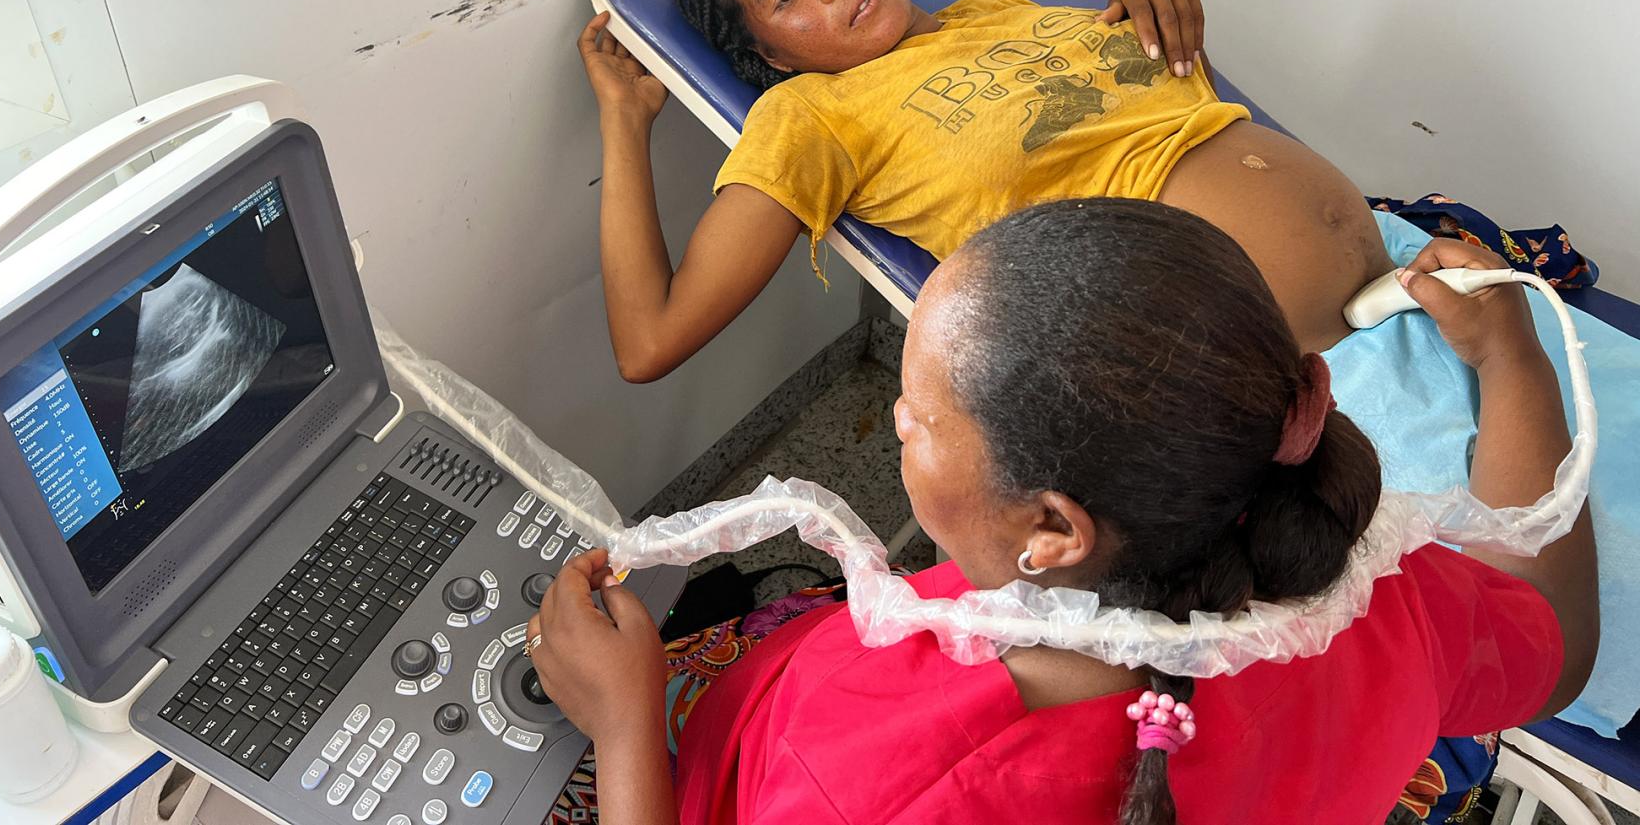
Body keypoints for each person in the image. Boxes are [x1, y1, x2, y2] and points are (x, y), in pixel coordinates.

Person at [526, 201, 1598, 823]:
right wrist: (1509, 356)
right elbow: (1554, 650)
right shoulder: (1376, 596)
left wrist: (625, 731)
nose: (894, 414)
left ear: (1050, 532)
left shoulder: (891, 778)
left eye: (914, 417)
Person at [580, 0, 1393, 382]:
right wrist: (624, 122)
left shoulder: (994, 11)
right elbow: (648, 342)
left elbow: (1130, 112)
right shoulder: (811, 114)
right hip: (1271, 377)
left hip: (1386, 273)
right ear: (771, 57)